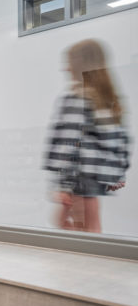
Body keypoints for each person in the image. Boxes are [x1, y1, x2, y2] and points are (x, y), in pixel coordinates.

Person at [44, 39, 130, 233]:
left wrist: (63, 185)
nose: (65, 69)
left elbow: (68, 143)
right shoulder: (107, 99)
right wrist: (118, 173)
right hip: (95, 177)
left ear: (80, 66)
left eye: (69, 63)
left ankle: (72, 262)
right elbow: (116, 140)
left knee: (66, 226)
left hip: (78, 176)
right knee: (90, 227)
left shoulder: (75, 98)